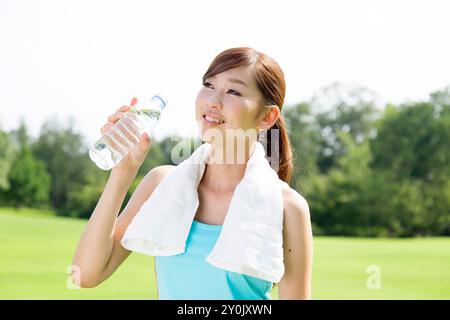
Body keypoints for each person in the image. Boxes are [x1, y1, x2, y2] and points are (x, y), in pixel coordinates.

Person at [71, 47, 313, 300]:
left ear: (267, 116)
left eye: (233, 91)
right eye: (209, 85)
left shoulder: (287, 207)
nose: (212, 101)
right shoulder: (162, 184)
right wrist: (122, 174)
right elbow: (86, 275)